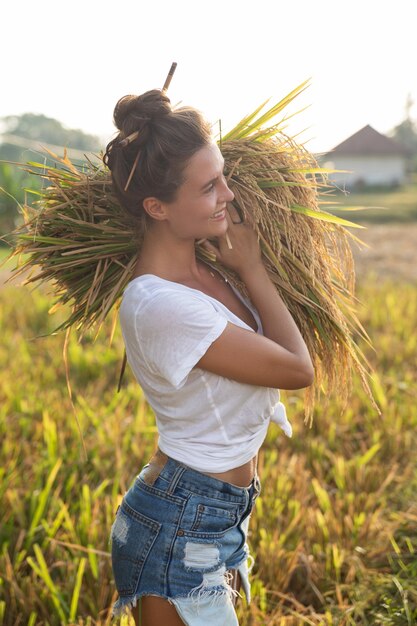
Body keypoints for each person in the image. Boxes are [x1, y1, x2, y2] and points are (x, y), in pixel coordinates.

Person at [103, 88, 314, 626]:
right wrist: (256, 269)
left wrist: (240, 267)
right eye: (209, 187)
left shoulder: (207, 270)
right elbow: (297, 370)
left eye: (222, 175)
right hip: (177, 525)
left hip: (216, 516)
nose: (228, 193)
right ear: (157, 207)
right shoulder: (161, 305)